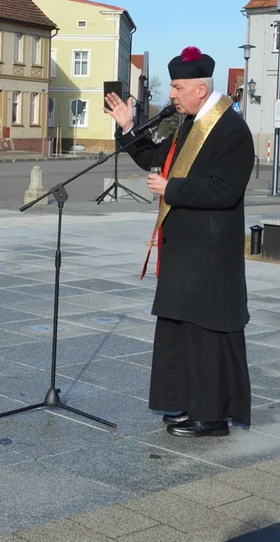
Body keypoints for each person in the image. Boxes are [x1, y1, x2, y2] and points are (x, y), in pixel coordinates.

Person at [104, 46, 255, 438]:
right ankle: (189, 405)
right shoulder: (189, 122)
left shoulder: (231, 130)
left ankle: (213, 415)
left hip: (210, 252)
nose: (171, 94)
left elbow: (225, 190)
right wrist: (125, 126)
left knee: (206, 335)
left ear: (201, 89)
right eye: (172, 86)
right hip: (186, 251)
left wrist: (173, 188)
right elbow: (156, 154)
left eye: (177, 86)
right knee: (183, 333)